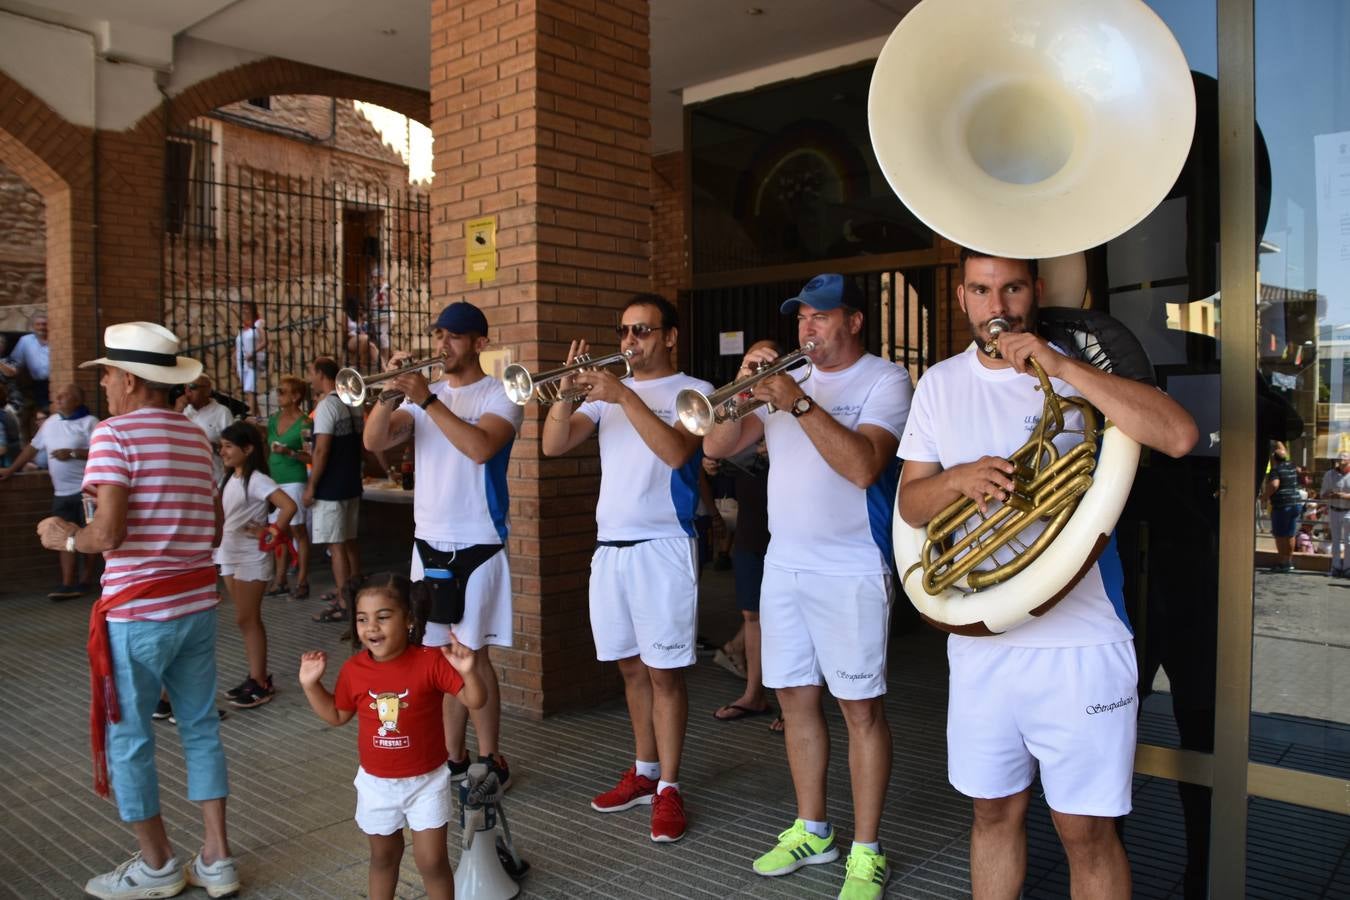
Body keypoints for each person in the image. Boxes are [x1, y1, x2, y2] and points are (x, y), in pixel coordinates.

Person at [896, 250, 1197, 900]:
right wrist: (957, 480)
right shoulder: (939, 385)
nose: (996, 307)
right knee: (991, 814)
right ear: (961, 298)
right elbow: (911, 505)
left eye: (1010, 289)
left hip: (1081, 643)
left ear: (1033, 292)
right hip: (980, 642)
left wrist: (1062, 368)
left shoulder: (1077, 372)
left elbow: (1178, 436)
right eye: (981, 290)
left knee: (1084, 831)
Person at [703, 273, 912, 898]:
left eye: (821, 317)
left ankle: (867, 850)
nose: (808, 329)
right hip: (785, 565)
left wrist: (796, 401)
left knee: (860, 709)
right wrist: (742, 389)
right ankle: (813, 828)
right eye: (801, 319)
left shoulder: (887, 380)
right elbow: (713, 442)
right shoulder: (782, 384)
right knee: (794, 699)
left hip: (852, 567)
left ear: (853, 321)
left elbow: (863, 466)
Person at [36, 321, 239, 899]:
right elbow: (216, 525)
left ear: (127, 378)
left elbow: (108, 532)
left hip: (137, 615)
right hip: (197, 606)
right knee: (200, 728)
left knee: (128, 739)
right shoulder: (196, 439)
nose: (102, 385)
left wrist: (66, 538)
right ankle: (217, 859)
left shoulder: (114, 435)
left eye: (104, 374)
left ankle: (157, 866)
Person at [542, 293, 712, 844]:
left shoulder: (695, 391)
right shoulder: (605, 396)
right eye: (624, 331)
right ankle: (642, 772)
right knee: (631, 670)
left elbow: (678, 454)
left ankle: (669, 785)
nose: (630, 341)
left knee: (665, 673)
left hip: (664, 543)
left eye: (642, 330)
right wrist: (566, 396)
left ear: (670, 337)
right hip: (610, 547)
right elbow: (552, 444)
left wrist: (623, 395)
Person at [363, 301, 522, 790]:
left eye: (454, 336)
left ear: (479, 342)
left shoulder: (501, 394)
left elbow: (480, 448)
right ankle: (454, 758)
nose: (442, 345)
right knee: (437, 658)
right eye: (438, 335)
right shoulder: (419, 398)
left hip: (478, 541)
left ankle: (491, 757)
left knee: (473, 655)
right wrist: (391, 396)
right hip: (427, 542)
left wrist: (428, 400)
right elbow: (374, 442)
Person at [298, 573, 487, 900]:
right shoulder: (354, 670)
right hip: (377, 784)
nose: (371, 627)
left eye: (383, 617)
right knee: (384, 858)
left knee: (432, 862)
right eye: (362, 619)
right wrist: (310, 685)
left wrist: (468, 670)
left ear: (410, 619)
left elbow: (475, 700)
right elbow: (337, 715)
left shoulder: (430, 661)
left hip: (427, 781)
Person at [215, 421, 297, 709]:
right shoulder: (228, 478)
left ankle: (260, 681)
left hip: (251, 555)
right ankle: (255, 677)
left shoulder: (258, 478)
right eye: (221, 446)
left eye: (228, 446)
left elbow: (288, 506)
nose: (222, 451)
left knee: (247, 619)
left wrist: (271, 533)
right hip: (229, 554)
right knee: (243, 618)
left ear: (247, 449)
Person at [1, 383, 99, 599]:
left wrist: (73, 453)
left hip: (87, 492)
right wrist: (11, 469)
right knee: (62, 536)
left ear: (77, 400)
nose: (58, 399)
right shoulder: (51, 423)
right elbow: (32, 448)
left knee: (91, 534)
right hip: (61, 493)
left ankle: (86, 580)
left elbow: (101, 452)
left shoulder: (90, 423)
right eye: (57, 396)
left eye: (64, 396)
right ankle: (67, 583)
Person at [711, 431, 774, 725]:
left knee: (793, 616)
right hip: (751, 525)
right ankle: (754, 693)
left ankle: (797, 704)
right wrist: (713, 459)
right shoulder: (753, 407)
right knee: (752, 614)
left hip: (787, 524)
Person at [306, 356, 364, 620]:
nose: (309, 377)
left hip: (330, 486)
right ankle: (356, 591)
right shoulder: (353, 403)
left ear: (321, 374)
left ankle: (343, 601)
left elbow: (321, 449)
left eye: (311, 372)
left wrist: (311, 485)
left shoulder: (327, 405)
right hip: (351, 481)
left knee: (336, 545)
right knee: (349, 541)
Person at [264, 375, 313, 598]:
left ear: (296, 396)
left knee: (297, 530)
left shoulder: (305, 423)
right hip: (275, 480)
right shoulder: (273, 420)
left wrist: (289, 452)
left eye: (282, 392)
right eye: (278, 391)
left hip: (294, 478)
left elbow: (310, 455)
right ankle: (280, 578)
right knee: (277, 532)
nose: (278, 395)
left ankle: (302, 580)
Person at [180, 374, 234, 483]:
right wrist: (177, 411)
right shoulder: (182, 412)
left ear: (207, 390)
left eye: (192, 387)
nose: (188, 391)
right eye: (185, 387)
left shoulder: (222, 412)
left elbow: (233, 448)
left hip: (213, 478)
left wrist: (210, 445)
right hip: (186, 477)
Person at [1263, 441, 1303, 573]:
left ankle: (1281, 562)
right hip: (1295, 504)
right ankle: (1289, 562)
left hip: (1282, 506)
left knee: (1280, 535)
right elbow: (1283, 451)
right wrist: (1278, 441)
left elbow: (1274, 485)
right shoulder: (1291, 466)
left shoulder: (1276, 470)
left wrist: (1264, 497)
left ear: (1273, 458)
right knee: (1290, 534)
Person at [10, 312, 51, 423]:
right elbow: (15, 362)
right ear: (33, 326)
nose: (42, 327)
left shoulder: (56, 338)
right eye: (38, 324)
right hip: (38, 384)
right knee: (41, 414)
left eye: (45, 324)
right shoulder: (25, 341)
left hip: (56, 381)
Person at [233, 301, 267, 415]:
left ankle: (251, 415)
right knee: (249, 390)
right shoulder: (243, 327)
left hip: (253, 360)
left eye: (247, 308)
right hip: (241, 361)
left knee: (250, 388)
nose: (244, 311)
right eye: (243, 308)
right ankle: (258, 416)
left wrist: (253, 352)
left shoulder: (259, 323)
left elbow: (265, 341)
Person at [1320, 452, 1350, 577]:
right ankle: (1336, 567)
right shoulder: (1329, 474)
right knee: (1335, 540)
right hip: (1334, 510)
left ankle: (1348, 567)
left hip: (1348, 511)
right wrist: (1332, 495)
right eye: (1339, 457)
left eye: (1343, 457)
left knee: (1349, 541)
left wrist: (1344, 496)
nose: (1340, 459)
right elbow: (1323, 494)